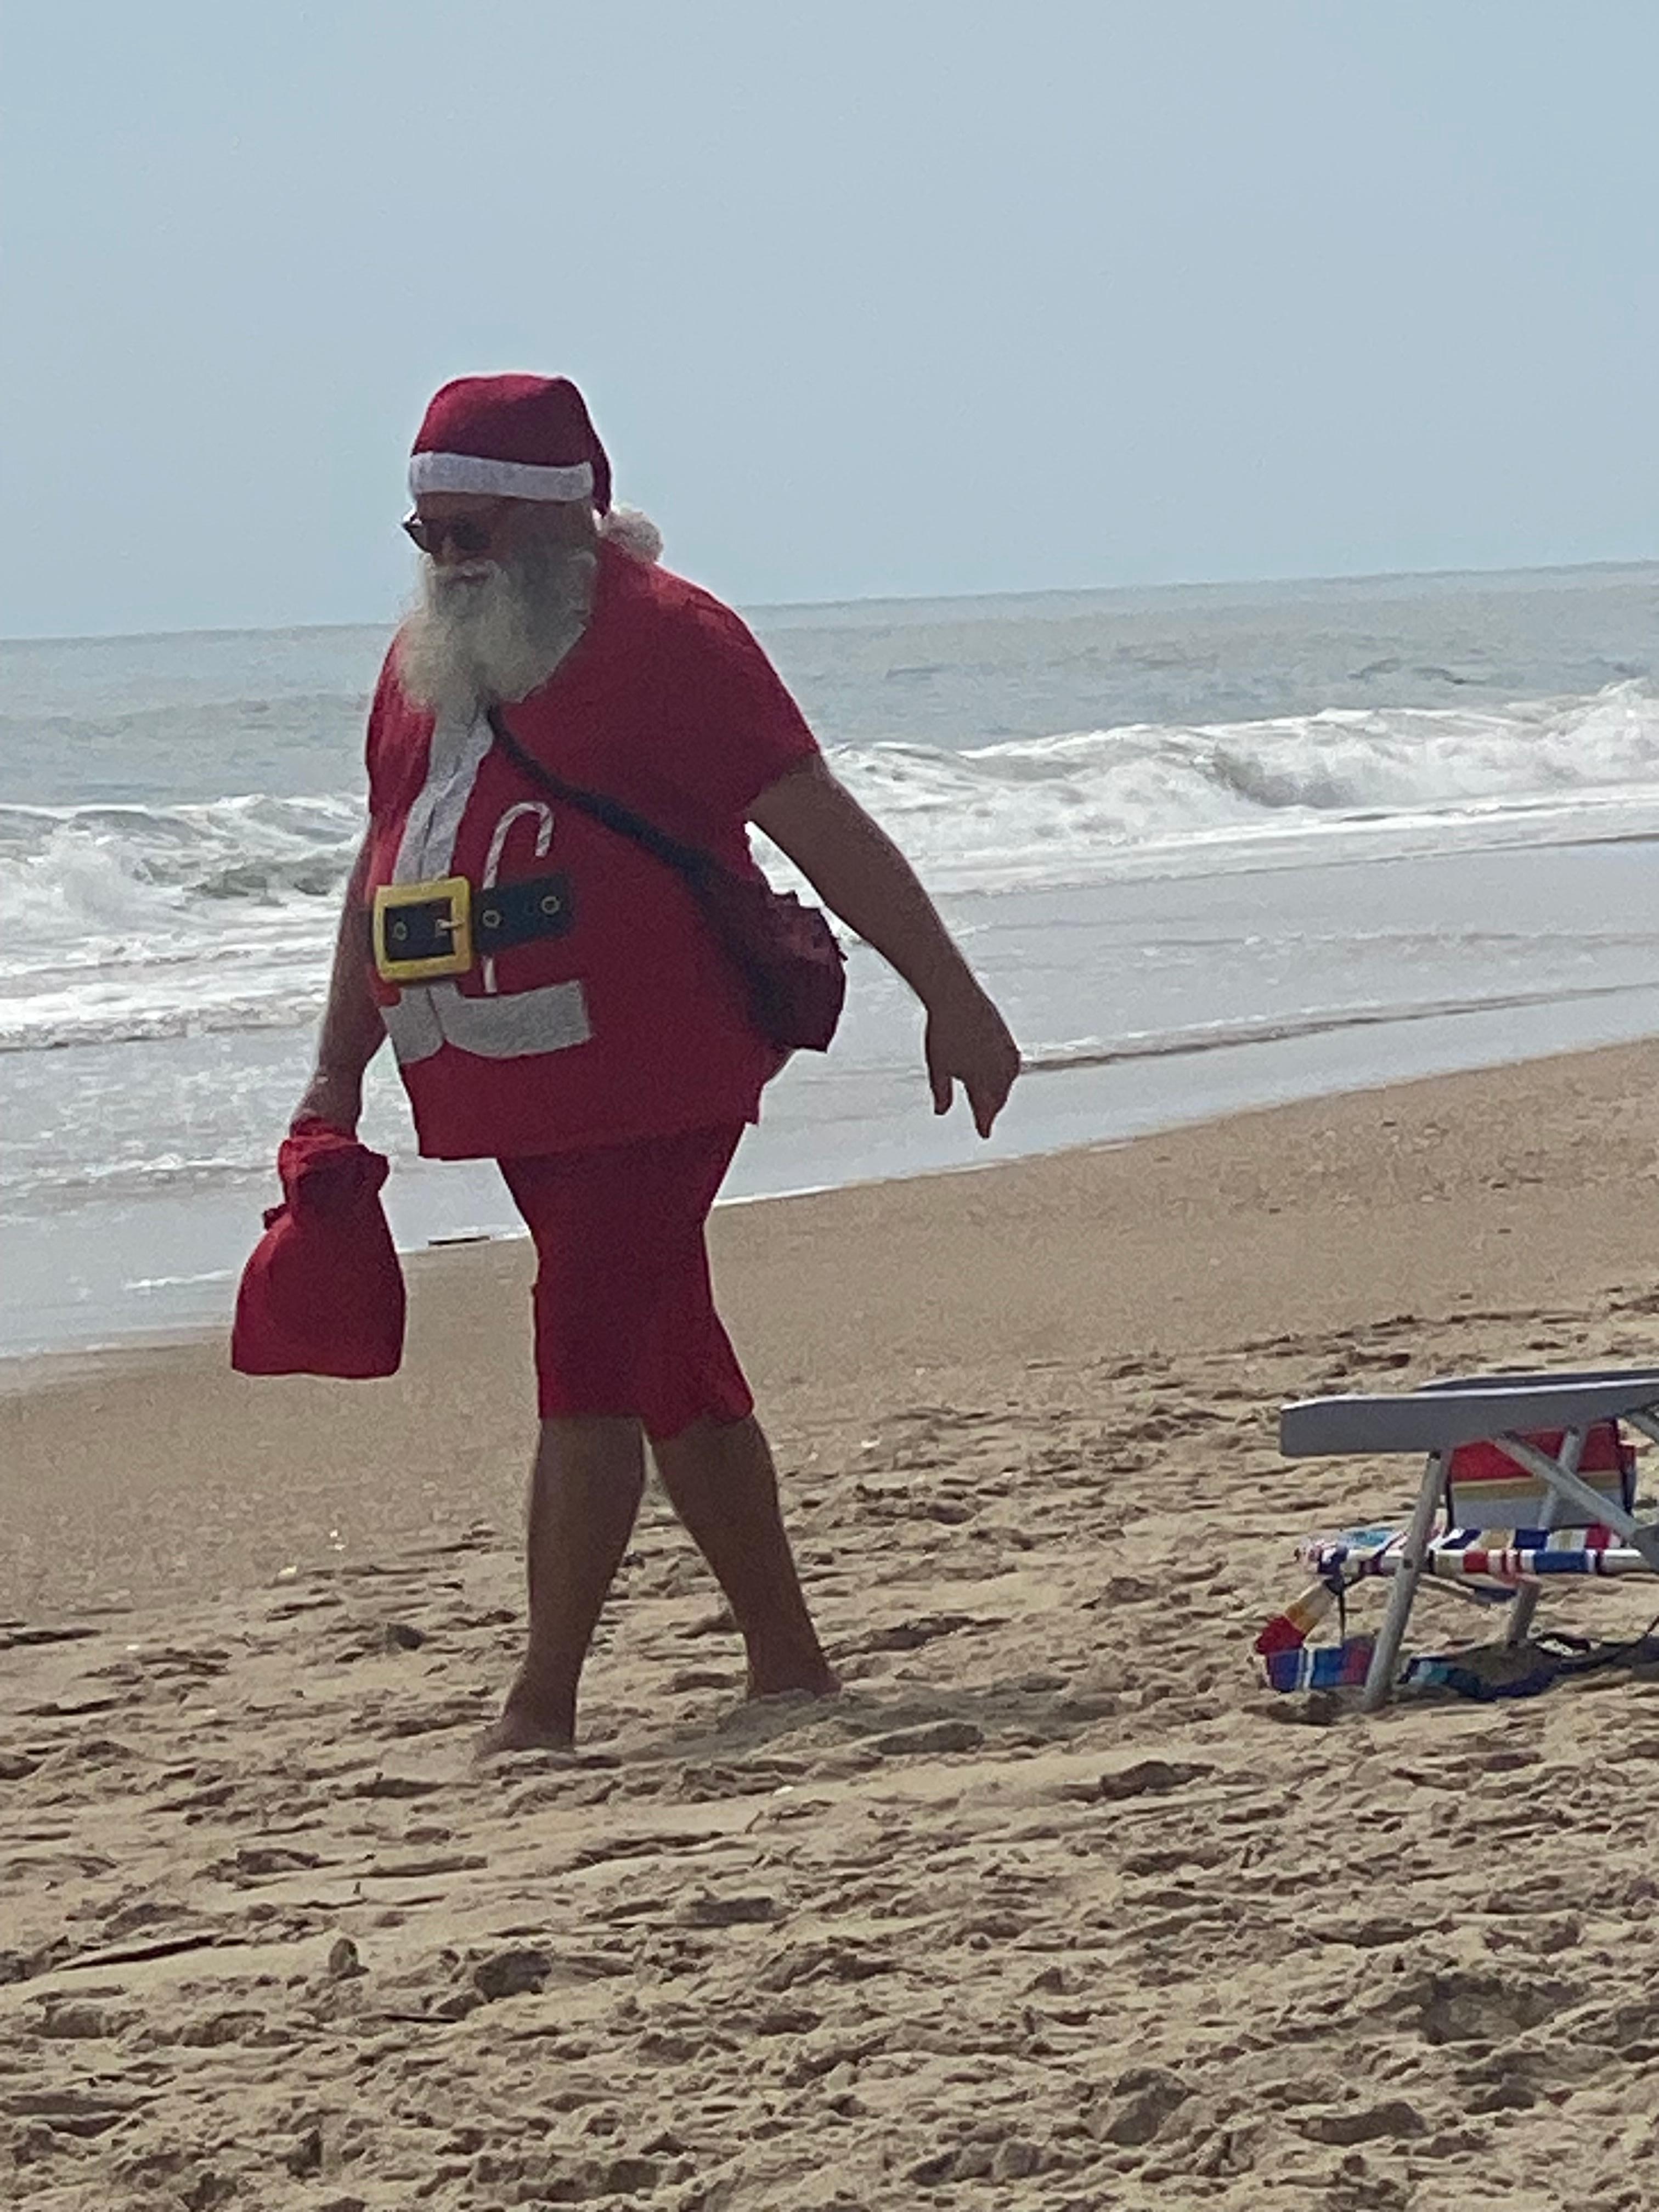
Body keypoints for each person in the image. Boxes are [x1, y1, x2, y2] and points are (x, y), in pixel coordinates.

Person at [295, 373, 1020, 1753]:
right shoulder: (425, 663)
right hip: (504, 1073)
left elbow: (818, 820)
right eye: (427, 534)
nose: (447, 562)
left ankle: (542, 1701)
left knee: (586, 1349)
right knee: (668, 1352)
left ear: (558, 519)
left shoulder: (676, 638)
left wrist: (955, 998)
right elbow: (378, 866)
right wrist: (338, 1069)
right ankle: (789, 1663)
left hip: (659, 1065)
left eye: (471, 533)